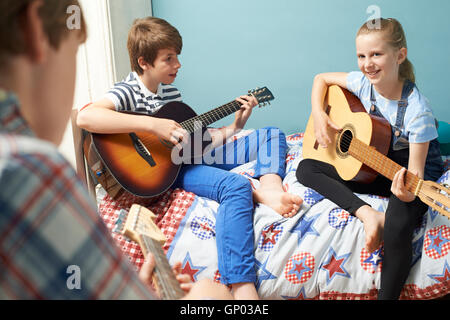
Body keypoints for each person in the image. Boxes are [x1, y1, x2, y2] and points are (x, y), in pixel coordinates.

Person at [0, 0, 232, 300]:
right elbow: (86, 116)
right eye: (74, 53)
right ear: (36, 31)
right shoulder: (25, 168)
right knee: (209, 292)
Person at [77, 16, 303, 299]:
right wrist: (151, 125)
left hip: (188, 154)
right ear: (144, 62)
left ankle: (269, 189)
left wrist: (235, 127)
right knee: (236, 186)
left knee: (270, 134)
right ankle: (242, 285)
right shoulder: (127, 91)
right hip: (166, 170)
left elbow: (195, 142)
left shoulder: (170, 92)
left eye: (177, 57)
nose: (177, 65)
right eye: (168, 59)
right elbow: (87, 117)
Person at [296, 18, 444, 300]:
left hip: (410, 169)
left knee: (398, 222)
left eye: (376, 54)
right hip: (374, 158)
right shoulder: (363, 83)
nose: (368, 63)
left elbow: (415, 174)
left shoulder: (417, 111)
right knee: (306, 168)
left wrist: (406, 194)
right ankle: (367, 214)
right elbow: (321, 79)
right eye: (361, 56)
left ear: (400, 55)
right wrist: (319, 114)